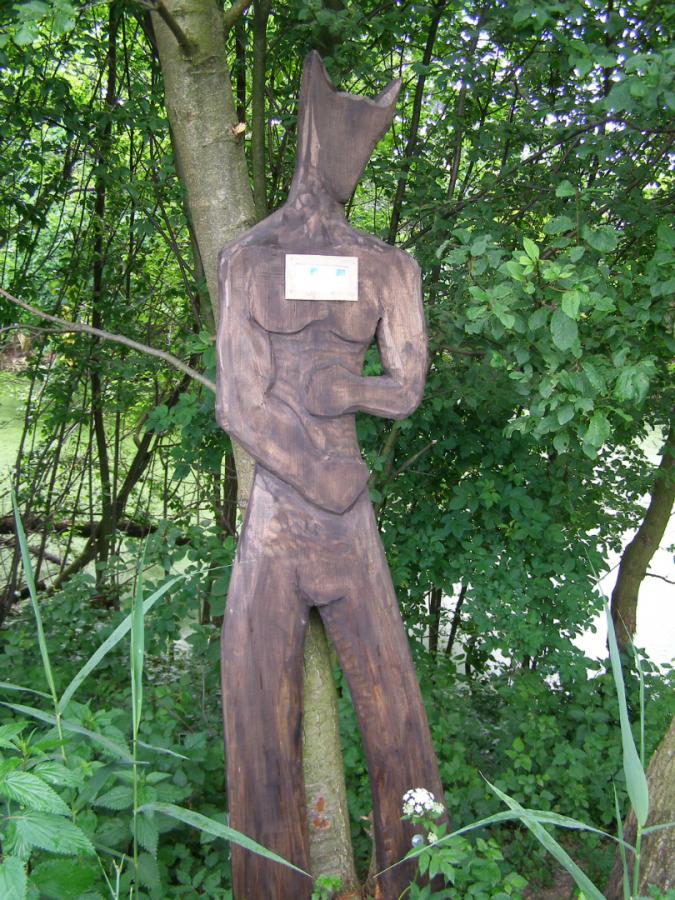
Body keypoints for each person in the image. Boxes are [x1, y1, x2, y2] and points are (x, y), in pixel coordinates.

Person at [216, 51, 445, 899]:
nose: (346, 157)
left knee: (395, 716)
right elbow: (238, 403)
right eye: (342, 133)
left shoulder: (387, 266)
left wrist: (349, 390)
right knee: (254, 711)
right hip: (282, 517)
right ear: (312, 137)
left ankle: (419, 878)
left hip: (348, 525)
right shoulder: (248, 259)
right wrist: (317, 473)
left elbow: (406, 386)